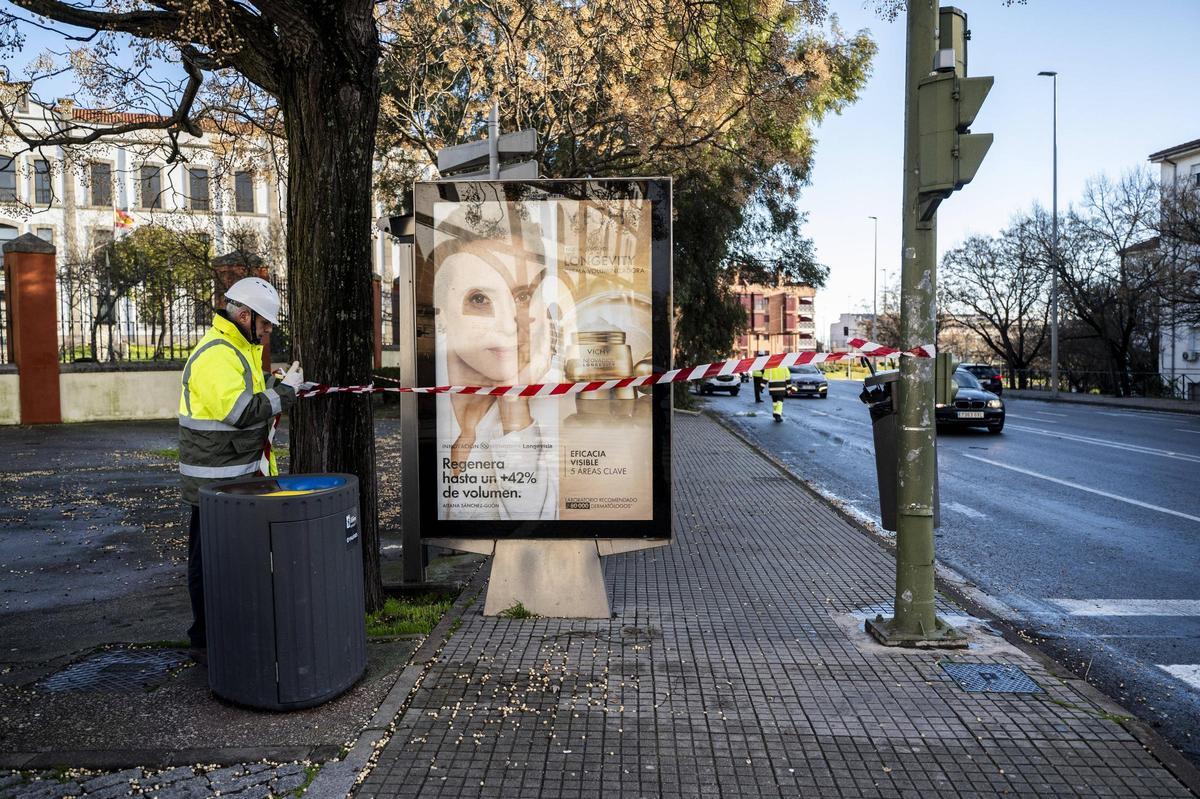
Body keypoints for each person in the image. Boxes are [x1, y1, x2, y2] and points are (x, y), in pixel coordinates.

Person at [177, 277, 305, 665]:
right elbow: (241, 411)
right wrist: (287, 393)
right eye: (265, 324)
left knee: (226, 561)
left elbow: (250, 390)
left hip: (234, 475)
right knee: (211, 563)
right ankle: (205, 640)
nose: (267, 332)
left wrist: (276, 383)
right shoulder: (217, 353)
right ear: (245, 315)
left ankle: (220, 635)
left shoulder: (237, 347)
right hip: (216, 480)